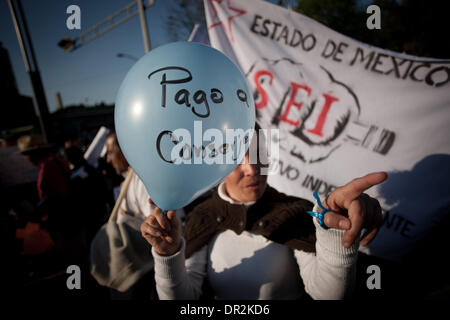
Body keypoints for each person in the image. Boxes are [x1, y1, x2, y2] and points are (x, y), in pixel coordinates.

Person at [141, 128, 387, 300]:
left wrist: (335, 235)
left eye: (259, 153)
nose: (251, 168)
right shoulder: (201, 216)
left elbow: (329, 295)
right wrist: (167, 256)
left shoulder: (299, 212)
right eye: (236, 158)